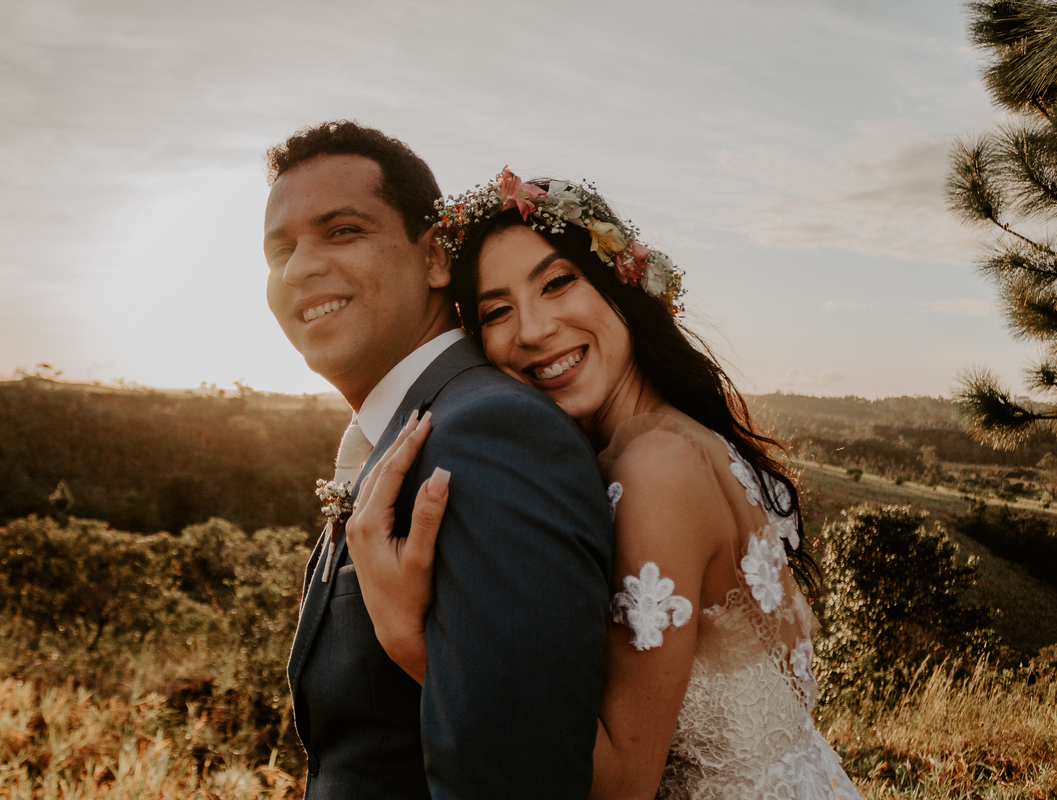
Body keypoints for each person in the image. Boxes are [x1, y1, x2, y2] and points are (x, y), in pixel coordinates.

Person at [347, 168, 863, 799]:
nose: (533, 329)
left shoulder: (656, 471)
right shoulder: (680, 438)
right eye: (497, 311)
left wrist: (412, 643)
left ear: (621, 280)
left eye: (557, 282)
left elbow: (622, 786)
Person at [262, 123, 614, 800]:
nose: (299, 268)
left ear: (434, 258)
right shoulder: (409, 428)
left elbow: (519, 782)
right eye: (281, 249)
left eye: (342, 231)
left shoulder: (491, 434)